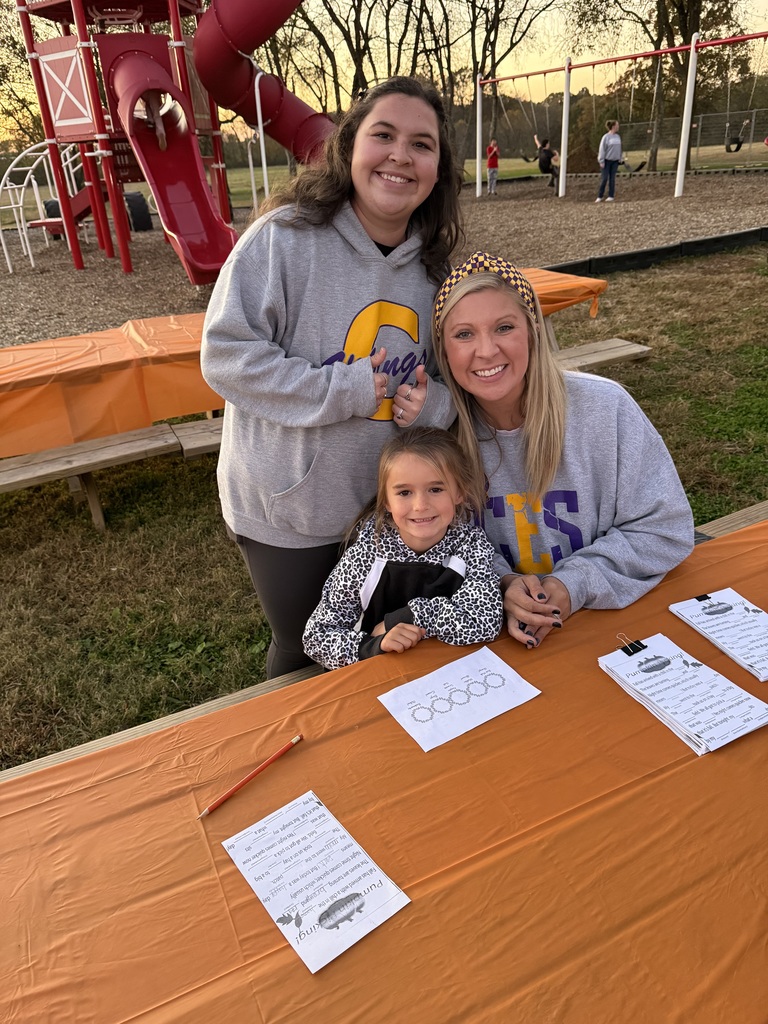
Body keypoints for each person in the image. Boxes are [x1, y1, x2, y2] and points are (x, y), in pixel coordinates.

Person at [200, 78, 463, 679]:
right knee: (307, 648)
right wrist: (340, 389)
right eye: (384, 135)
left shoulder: (435, 270)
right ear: (349, 147)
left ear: (438, 168)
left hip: (390, 512)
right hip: (288, 510)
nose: (401, 155)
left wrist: (432, 408)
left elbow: (456, 382)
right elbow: (225, 355)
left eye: (421, 144)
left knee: (380, 645)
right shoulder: (284, 239)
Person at [431, 251, 694, 649]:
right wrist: (502, 581)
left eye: (504, 327)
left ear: (533, 330)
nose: (486, 351)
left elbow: (664, 527)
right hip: (496, 639)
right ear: (444, 350)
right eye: (464, 334)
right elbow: (433, 543)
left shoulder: (606, 409)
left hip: (611, 623)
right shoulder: (439, 437)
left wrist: (572, 583)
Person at [302, 427, 502, 670]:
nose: (420, 505)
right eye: (405, 492)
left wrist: (408, 616)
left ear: (459, 492)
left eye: (435, 489)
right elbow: (317, 637)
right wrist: (374, 645)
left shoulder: (472, 546)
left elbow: (486, 622)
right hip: (379, 678)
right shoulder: (367, 554)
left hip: (450, 673)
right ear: (386, 500)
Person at [596, 120, 624, 203]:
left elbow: (619, 148)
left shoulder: (618, 137)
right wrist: (601, 160)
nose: (618, 127)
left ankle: (611, 196)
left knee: (612, 179)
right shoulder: (606, 137)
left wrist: (620, 157)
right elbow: (602, 149)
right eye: (617, 125)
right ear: (613, 126)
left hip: (615, 161)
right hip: (606, 161)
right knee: (604, 178)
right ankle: (600, 196)